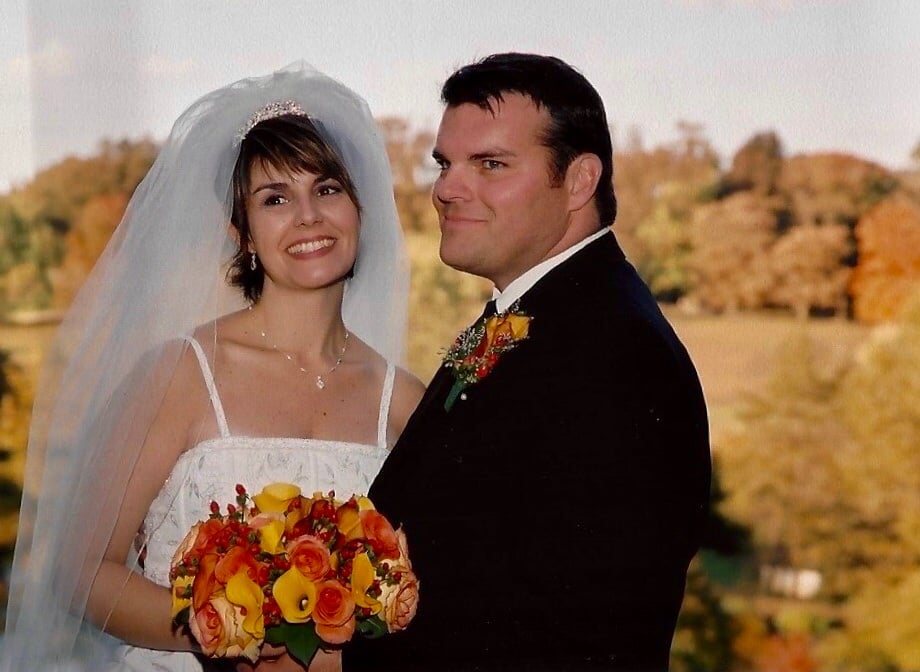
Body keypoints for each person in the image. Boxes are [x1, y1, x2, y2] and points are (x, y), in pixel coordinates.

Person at [0, 63, 423, 672]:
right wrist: (234, 635)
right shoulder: (178, 374)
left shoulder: (404, 403)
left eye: (327, 189)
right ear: (241, 232)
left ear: (361, 209)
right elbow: (81, 571)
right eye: (275, 199)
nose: (308, 216)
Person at [345, 53, 711, 672]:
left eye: (490, 164)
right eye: (444, 163)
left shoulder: (613, 355)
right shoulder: (544, 316)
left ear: (579, 181)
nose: (446, 189)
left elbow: (567, 629)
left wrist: (337, 663)